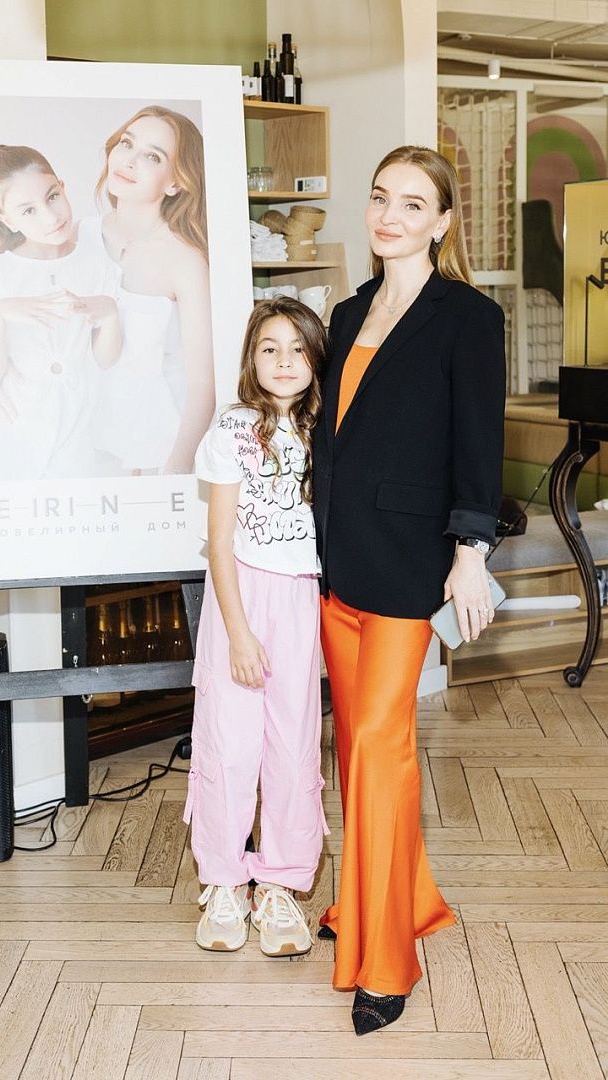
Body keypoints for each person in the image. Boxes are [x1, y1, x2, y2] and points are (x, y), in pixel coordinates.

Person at [312, 146, 506, 1034]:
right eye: (380, 197)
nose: (390, 215)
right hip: (338, 561)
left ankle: (387, 959)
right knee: (356, 750)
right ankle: (384, 899)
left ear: (442, 221)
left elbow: (477, 444)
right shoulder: (347, 310)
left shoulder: (467, 317)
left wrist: (470, 552)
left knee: (382, 747)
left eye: (413, 203)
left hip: (406, 565)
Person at [183, 297, 329, 956]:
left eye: (298, 349)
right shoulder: (231, 429)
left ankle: (280, 884)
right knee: (229, 743)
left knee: (292, 745)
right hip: (238, 599)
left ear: (315, 359)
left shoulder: (325, 430)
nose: (284, 361)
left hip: (298, 600)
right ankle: (223, 882)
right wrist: (239, 632)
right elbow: (218, 543)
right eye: (270, 348)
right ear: (251, 357)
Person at [0, 143, 122, 482]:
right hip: (9, 433)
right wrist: (0, 313)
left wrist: (110, 315)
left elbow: (104, 361)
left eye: (52, 197)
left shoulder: (98, 266)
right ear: (8, 220)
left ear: (63, 186)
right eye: (28, 210)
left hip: (73, 433)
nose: (50, 216)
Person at [80, 105, 214, 475]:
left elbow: (202, 387)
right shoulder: (78, 236)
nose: (129, 160)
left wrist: (174, 472)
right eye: (126, 144)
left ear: (176, 182)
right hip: (81, 447)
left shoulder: (186, 261)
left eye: (152, 156)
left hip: (154, 452)